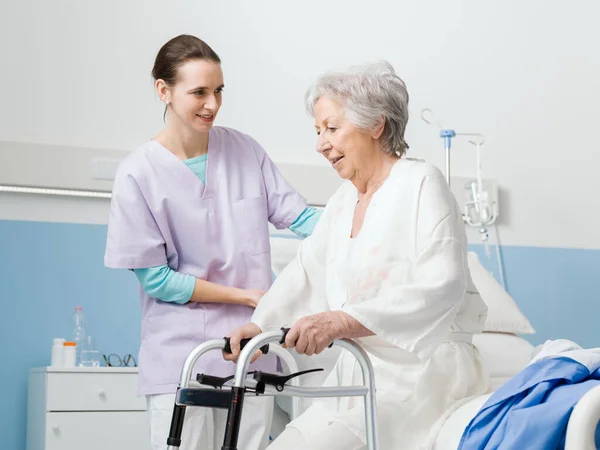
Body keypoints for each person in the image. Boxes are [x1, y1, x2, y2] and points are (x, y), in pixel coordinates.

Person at [225, 61, 490, 450]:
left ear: (376, 125)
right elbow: (307, 272)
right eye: (318, 131)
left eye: (331, 128)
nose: (320, 143)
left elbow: (443, 286)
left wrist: (342, 321)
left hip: (421, 376)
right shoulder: (343, 201)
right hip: (360, 376)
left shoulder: (421, 183)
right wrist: (261, 326)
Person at [104, 34, 321, 450]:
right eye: (199, 92)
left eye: (219, 90)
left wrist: (367, 214)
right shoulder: (138, 173)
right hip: (180, 357)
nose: (213, 104)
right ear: (163, 91)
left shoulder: (244, 151)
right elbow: (156, 279)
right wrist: (244, 296)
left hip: (250, 353)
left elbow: (301, 217)